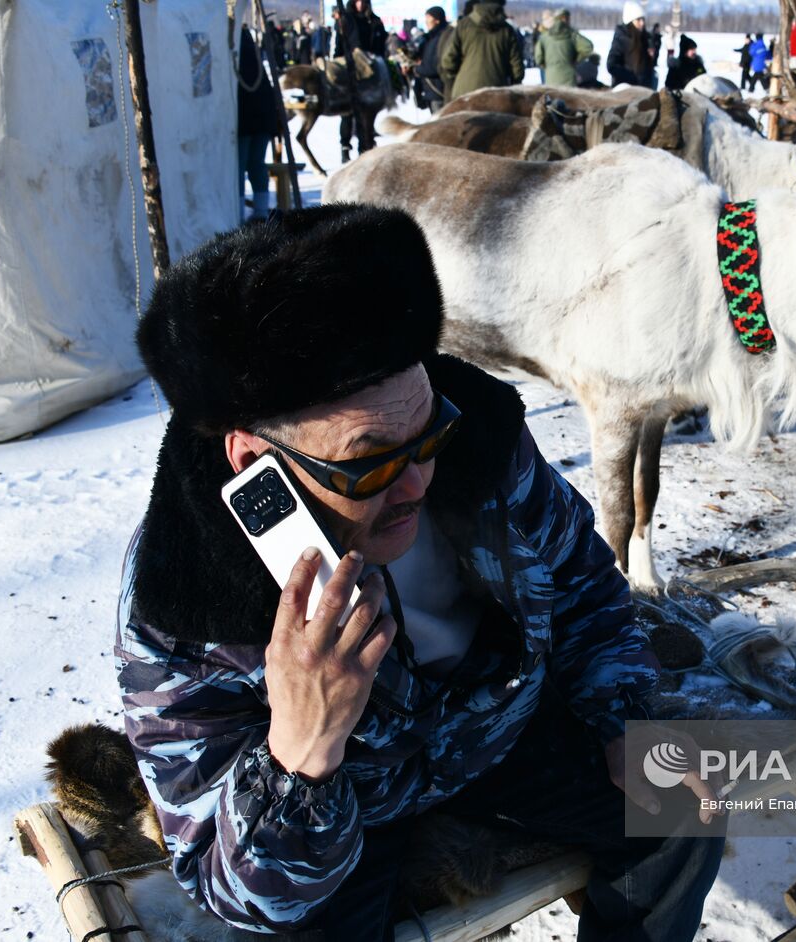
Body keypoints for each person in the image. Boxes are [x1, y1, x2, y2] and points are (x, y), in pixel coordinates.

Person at [118, 205, 726, 939]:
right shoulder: (187, 601)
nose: (416, 484)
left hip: (499, 733)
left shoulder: (481, 443)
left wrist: (623, 718)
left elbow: (583, 582)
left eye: (427, 432)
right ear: (254, 462)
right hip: (345, 810)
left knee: (680, 807)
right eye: (370, 459)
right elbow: (239, 889)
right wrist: (304, 753)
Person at [333, 0, 387, 162]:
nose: (360, 4)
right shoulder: (347, 19)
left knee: (368, 112)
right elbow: (339, 46)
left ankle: (366, 144)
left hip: (370, 71)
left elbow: (380, 45)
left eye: (363, 1)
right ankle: (345, 147)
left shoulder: (374, 20)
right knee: (348, 112)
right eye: (357, 1)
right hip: (350, 69)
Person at [439, 0, 525, 101]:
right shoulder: (507, 30)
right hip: (497, 93)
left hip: (465, 92)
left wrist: (455, 76)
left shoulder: (464, 25)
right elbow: (517, 70)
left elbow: (448, 61)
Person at [235, 25, 277, 220]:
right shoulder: (257, 65)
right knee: (256, 166)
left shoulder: (236, 64)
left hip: (244, 126)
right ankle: (259, 210)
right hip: (260, 124)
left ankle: (240, 213)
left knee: (241, 168)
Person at [535, 9, 593, 88]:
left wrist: (548, 66)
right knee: (569, 99)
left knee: (552, 99)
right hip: (569, 79)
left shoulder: (545, 36)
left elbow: (538, 58)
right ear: (565, 18)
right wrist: (576, 60)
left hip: (550, 78)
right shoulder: (572, 34)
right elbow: (588, 47)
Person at [412, 5, 451, 112]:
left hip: (439, 91)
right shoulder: (430, 38)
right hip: (432, 91)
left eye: (428, 17)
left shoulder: (442, 38)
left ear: (437, 20)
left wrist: (417, 69)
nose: (426, 21)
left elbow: (435, 66)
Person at [607, 1, 651, 87]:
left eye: (643, 19)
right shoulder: (621, 37)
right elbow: (611, 65)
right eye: (638, 20)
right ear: (630, 21)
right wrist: (631, 78)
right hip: (626, 90)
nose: (642, 23)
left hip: (643, 88)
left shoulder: (645, 38)